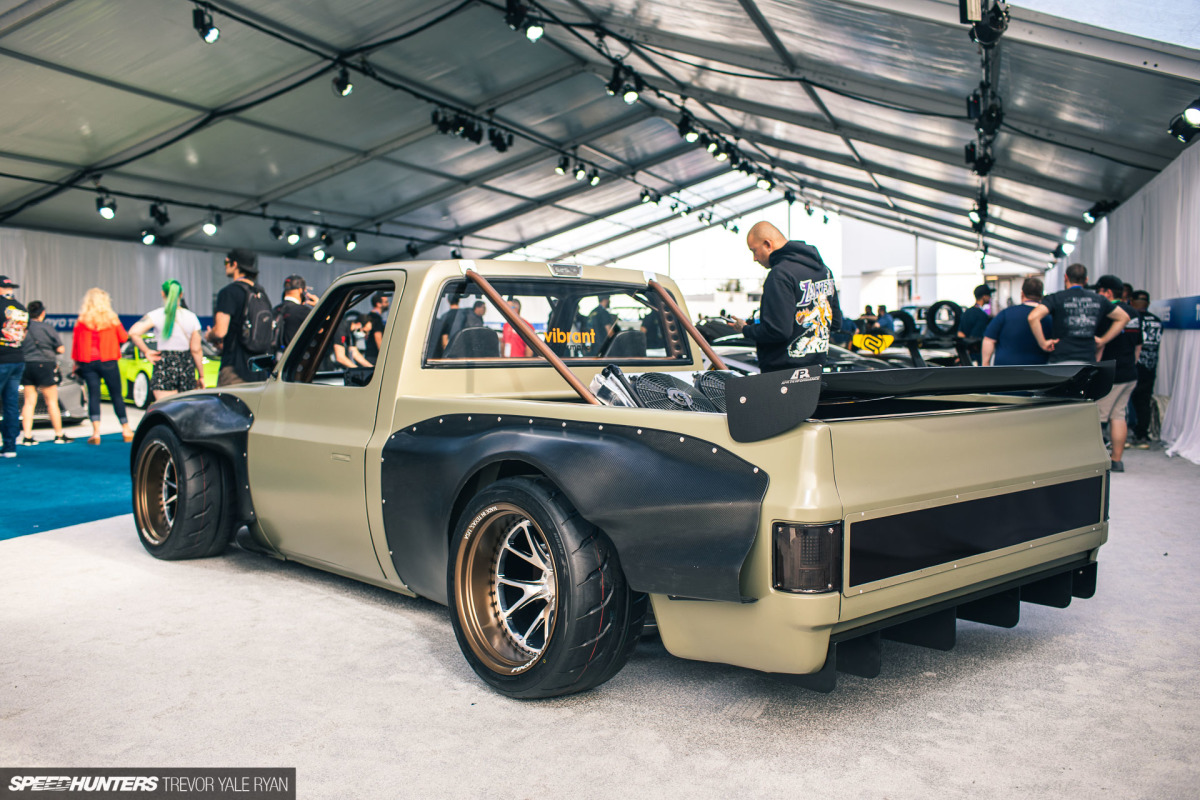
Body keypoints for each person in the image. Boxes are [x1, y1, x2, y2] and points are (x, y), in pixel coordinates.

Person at [730, 221, 843, 372]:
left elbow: (778, 331)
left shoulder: (779, 275)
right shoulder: (824, 271)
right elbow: (835, 322)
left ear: (767, 244)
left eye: (754, 251)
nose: (755, 258)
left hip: (783, 375)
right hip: (816, 371)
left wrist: (745, 329)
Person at [1028, 263, 1128, 364]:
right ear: (1086, 280)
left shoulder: (1056, 298)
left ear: (1066, 277)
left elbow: (1033, 317)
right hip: (1087, 360)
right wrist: (1103, 340)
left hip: (1061, 359)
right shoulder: (1099, 299)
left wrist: (1043, 343)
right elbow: (1123, 317)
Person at [1091, 275, 1141, 472]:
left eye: (1099, 291)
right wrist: (1131, 365)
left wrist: (1094, 370)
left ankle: (1096, 462)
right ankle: (1117, 460)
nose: (1097, 295)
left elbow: (1100, 345)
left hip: (1111, 373)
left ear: (1108, 292)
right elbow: (1138, 346)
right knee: (1119, 415)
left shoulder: (1107, 313)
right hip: (1129, 372)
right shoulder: (1134, 313)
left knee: (1098, 417)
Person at [71, 287, 133, 445]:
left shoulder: (82, 320)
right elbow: (123, 337)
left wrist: (75, 363)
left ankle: (96, 433)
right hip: (109, 361)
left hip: (88, 362)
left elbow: (76, 344)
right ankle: (126, 429)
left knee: (94, 396)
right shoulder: (112, 319)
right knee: (116, 395)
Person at [128, 280, 206, 403]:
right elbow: (196, 350)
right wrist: (201, 375)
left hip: (164, 363)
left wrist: (147, 351)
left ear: (162, 293)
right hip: (186, 365)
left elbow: (134, 332)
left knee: (166, 407)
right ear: (181, 294)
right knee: (185, 408)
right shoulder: (191, 317)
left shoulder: (156, 315)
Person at [206, 249, 265, 386]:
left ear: (235, 264)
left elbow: (220, 331)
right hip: (259, 369)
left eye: (226, 262)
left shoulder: (229, 292)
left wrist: (210, 335)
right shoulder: (261, 294)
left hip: (235, 369)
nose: (225, 266)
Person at [19, 301, 69, 444]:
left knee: (29, 402)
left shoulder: (23, 328)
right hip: (44, 365)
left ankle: (27, 436)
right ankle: (59, 435)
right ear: (42, 313)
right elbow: (60, 349)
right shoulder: (47, 328)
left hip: (27, 365)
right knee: (52, 401)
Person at [981, 277, 1052, 366]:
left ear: (1022, 294)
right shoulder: (1049, 317)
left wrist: (985, 363)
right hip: (1040, 369)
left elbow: (989, 340)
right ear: (1041, 295)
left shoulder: (1005, 314)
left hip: (1006, 369)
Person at [1128, 289, 1163, 448]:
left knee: (1126, 401)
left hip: (1135, 365)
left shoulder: (1134, 320)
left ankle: (1130, 433)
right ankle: (1142, 434)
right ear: (1148, 303)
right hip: (1150, 366)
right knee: (1144, 400)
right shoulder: (1157, 321)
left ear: (1132, 302)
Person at [0, 275, 30, 458]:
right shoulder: (21, 308)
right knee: (11, 404)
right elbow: (23, 334)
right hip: (17, 357)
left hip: (2, 359)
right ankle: (10, 446)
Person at [275, 275, 317, 350]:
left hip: (274, 354)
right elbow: (321, 329)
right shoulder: (303, 311)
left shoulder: (275, 310)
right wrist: (318, 305)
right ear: (301, 290)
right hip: (293, 355)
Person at [957, 284, 992, 365]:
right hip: (977, 354)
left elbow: (960, 333)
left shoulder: (967, 312)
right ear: (984, 296)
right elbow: (978, 337)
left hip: (967, 354)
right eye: (989, 295)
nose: (990, 297)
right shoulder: (982, 315)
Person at [363, 291, 390, 364]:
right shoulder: (376, 318)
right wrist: (384, 356)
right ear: (378, 304)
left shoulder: (370, 316)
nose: (388, 304)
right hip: (374, 356)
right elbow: (378, 337)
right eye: (386, 302)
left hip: (369, 355)